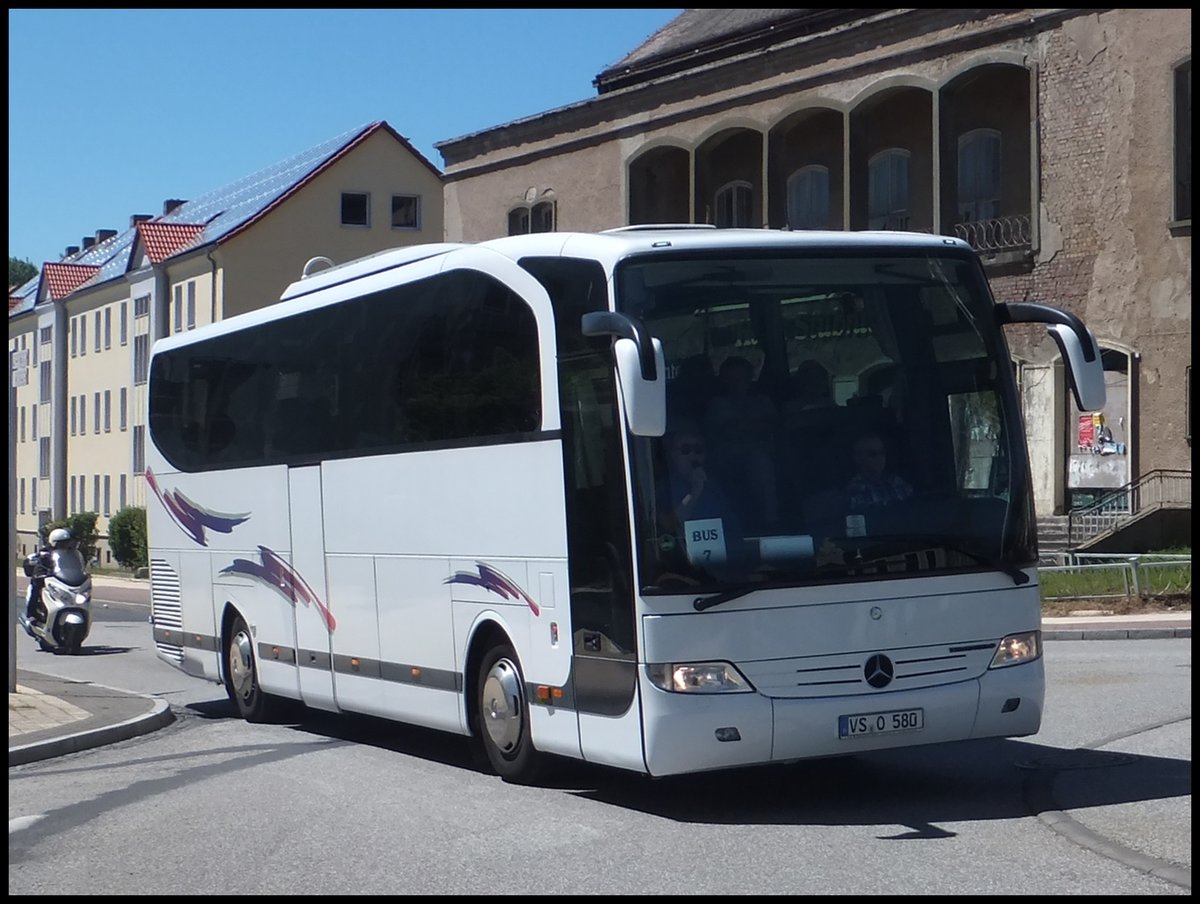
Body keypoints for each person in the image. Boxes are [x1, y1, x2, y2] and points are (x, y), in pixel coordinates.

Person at [703, 355, 780, 525]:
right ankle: (771, 521)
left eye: (741, 378)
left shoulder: (763, 401)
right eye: (731, 378)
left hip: (772, 458)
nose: (736, 383)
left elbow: (774, 427)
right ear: (723, 381)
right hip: (727, 463)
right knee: (760, 462)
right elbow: (732, 432)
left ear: (750, 378)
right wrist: (755, 427)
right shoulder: (717, 405)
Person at [845, 431, 912, 510]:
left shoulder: (899, 484)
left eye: (882, 452)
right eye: (873, 454)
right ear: (857, 458)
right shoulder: (853, 492)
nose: (880, 458)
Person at [25, 527, 73, 622]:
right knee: (36, 588)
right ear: (54, 542)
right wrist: (47, 567)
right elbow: (44, 559)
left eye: (66, 542)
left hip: (59, 576)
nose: (65, 545)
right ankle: (31, 614)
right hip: (42, 575)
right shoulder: (46, 551)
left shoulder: (68, 553)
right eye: (62, 543)